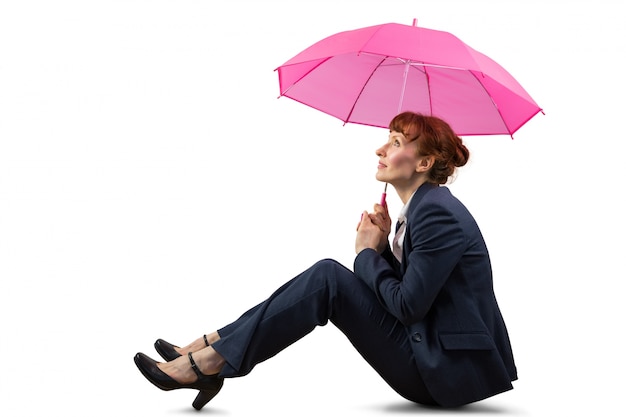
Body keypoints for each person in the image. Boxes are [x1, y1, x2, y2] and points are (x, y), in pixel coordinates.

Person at [134, 111, 517, 410]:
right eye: (386, 139)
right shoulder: (420, 211)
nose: (380, 150)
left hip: (443, 373)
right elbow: (415, 287)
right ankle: (209, 349)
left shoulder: (437, 213)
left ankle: (208, 361)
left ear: (423, 163)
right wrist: (383, 247)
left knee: (328, 278)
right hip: (431, 355)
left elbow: (408, 304)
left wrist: (367, 253)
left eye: (396, 142)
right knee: (326, 276)